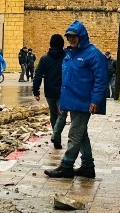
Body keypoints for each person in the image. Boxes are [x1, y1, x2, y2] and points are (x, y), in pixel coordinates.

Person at [44, 21, 107, 180]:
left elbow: (101, 79)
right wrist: (64, 103)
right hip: (73, 100)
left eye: (74, 36)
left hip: (84, 101)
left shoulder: (93, 54)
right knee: (81, 133)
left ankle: (66, 165)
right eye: (69, 37)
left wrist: (95, 100)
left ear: (82, 36)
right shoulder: (71, 54)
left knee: (74, 134)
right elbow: (68, 80)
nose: (71, 39)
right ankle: (87, 166)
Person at [33, 34, 68, 149]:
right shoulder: (67, 57)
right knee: (62, 114)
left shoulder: (45, 59)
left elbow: (38, 75)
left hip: (50, 92)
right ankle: (56, 134)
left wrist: (36, 91)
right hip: (64, 92)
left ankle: (56, 138)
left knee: (53, 114)